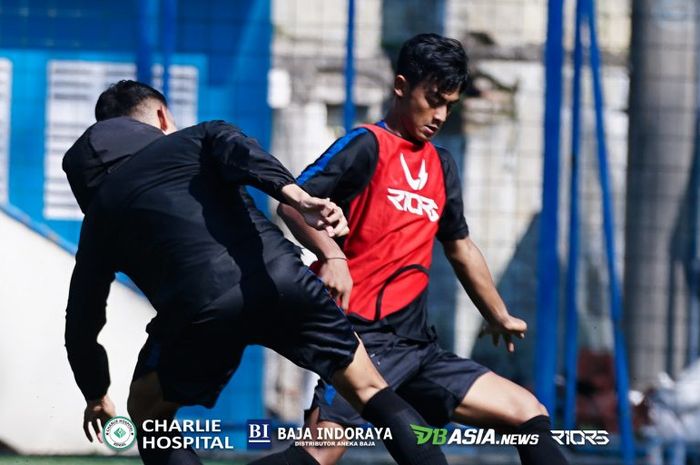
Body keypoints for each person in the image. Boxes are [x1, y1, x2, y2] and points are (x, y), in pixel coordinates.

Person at [63, 80, 450, 465]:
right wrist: (296, 194)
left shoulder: (98, 220)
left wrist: (95, 392)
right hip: (280, 280)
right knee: (369, 389)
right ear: (162, 117)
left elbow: (82, 320)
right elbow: (240, 151)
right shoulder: (195, 139)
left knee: (148, 415)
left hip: (199, 314)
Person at [255, 34, 571, 465]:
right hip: (360, 342)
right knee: (320, 453)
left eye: (449, 105)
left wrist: (496, 313)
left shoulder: (441, 165)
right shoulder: (366, 145)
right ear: (401, 86)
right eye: (433, 100)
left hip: (419, 349)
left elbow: (460, 246)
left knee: (527, 413)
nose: (440, 115)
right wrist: (333, 256)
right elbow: (292, 205)